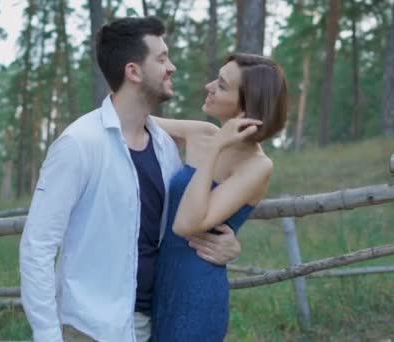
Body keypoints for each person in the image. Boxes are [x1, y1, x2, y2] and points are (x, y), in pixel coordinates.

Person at [19, 16, 241, 342]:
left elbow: (176, 230)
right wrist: (47, 335)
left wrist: (229, 244)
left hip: (154, 325)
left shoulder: (164, 146)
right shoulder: (79, 144)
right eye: (162, 58)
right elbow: (37, 247)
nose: (172, 67)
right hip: (92, 329)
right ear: (133, 71)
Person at [151, 53, 288, 341]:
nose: (208, 86)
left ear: (246, 107)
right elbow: (134, 119)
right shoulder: (201, 132)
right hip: (158, 284)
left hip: (197, 295)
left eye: (222, 85)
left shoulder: (257, 166)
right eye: (217, 77)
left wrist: (216, 148)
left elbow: (186, 224)